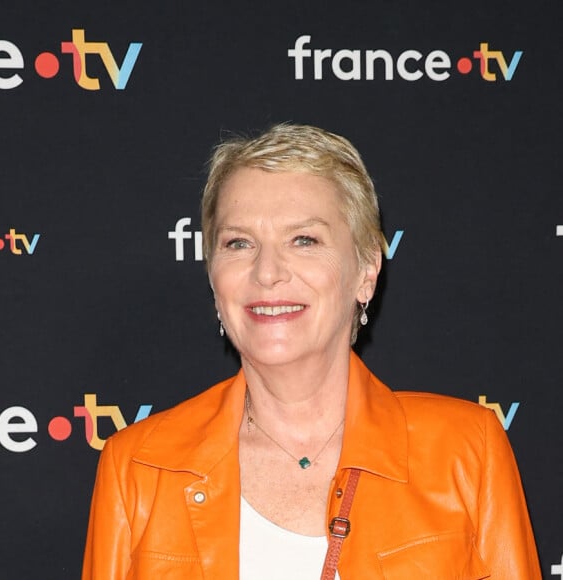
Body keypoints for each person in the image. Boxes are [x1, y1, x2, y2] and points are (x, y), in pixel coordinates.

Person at [82, 124, 541, 579]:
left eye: (304, 240)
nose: (267, 272)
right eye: (238, 243)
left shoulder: (466, 452)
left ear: (365, 271)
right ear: (213, 277)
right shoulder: (139, 466)